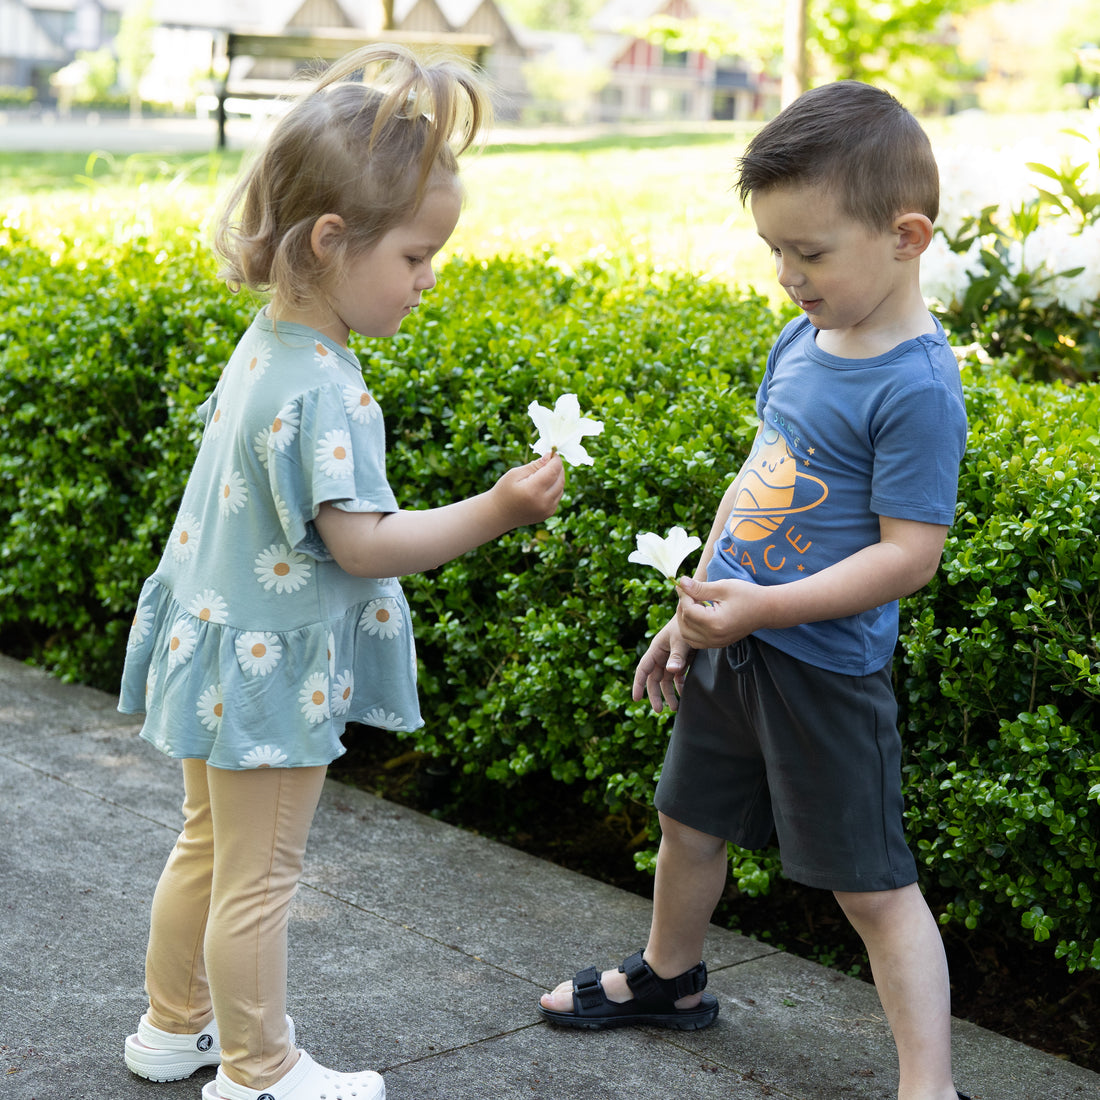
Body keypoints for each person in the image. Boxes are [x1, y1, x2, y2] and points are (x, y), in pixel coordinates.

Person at [118, 45, 565, 1100]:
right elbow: (363, 546)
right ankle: (259, 1071)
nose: (428, 278)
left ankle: (171, 1024)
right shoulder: (325, 388)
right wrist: (496, 508)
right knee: (260, 876)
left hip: (215, 639)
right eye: (415, 256)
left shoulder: (269, 341)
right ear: (331, 240)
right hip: (267, 666)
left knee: (205, 847)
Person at [538, 81, 971, 1100]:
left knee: (871, 886)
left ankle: (928, 1082)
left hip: (822, 670)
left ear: (904, 236)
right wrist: (693, 610)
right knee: (686, 823)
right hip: (734, 640)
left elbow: (909, 555)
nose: (785, 276)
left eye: (809, 252)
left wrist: (764, 609)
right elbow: (755, 481)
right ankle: (671, 977)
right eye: (773, 250)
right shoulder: (801, 340)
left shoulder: (914, 385)